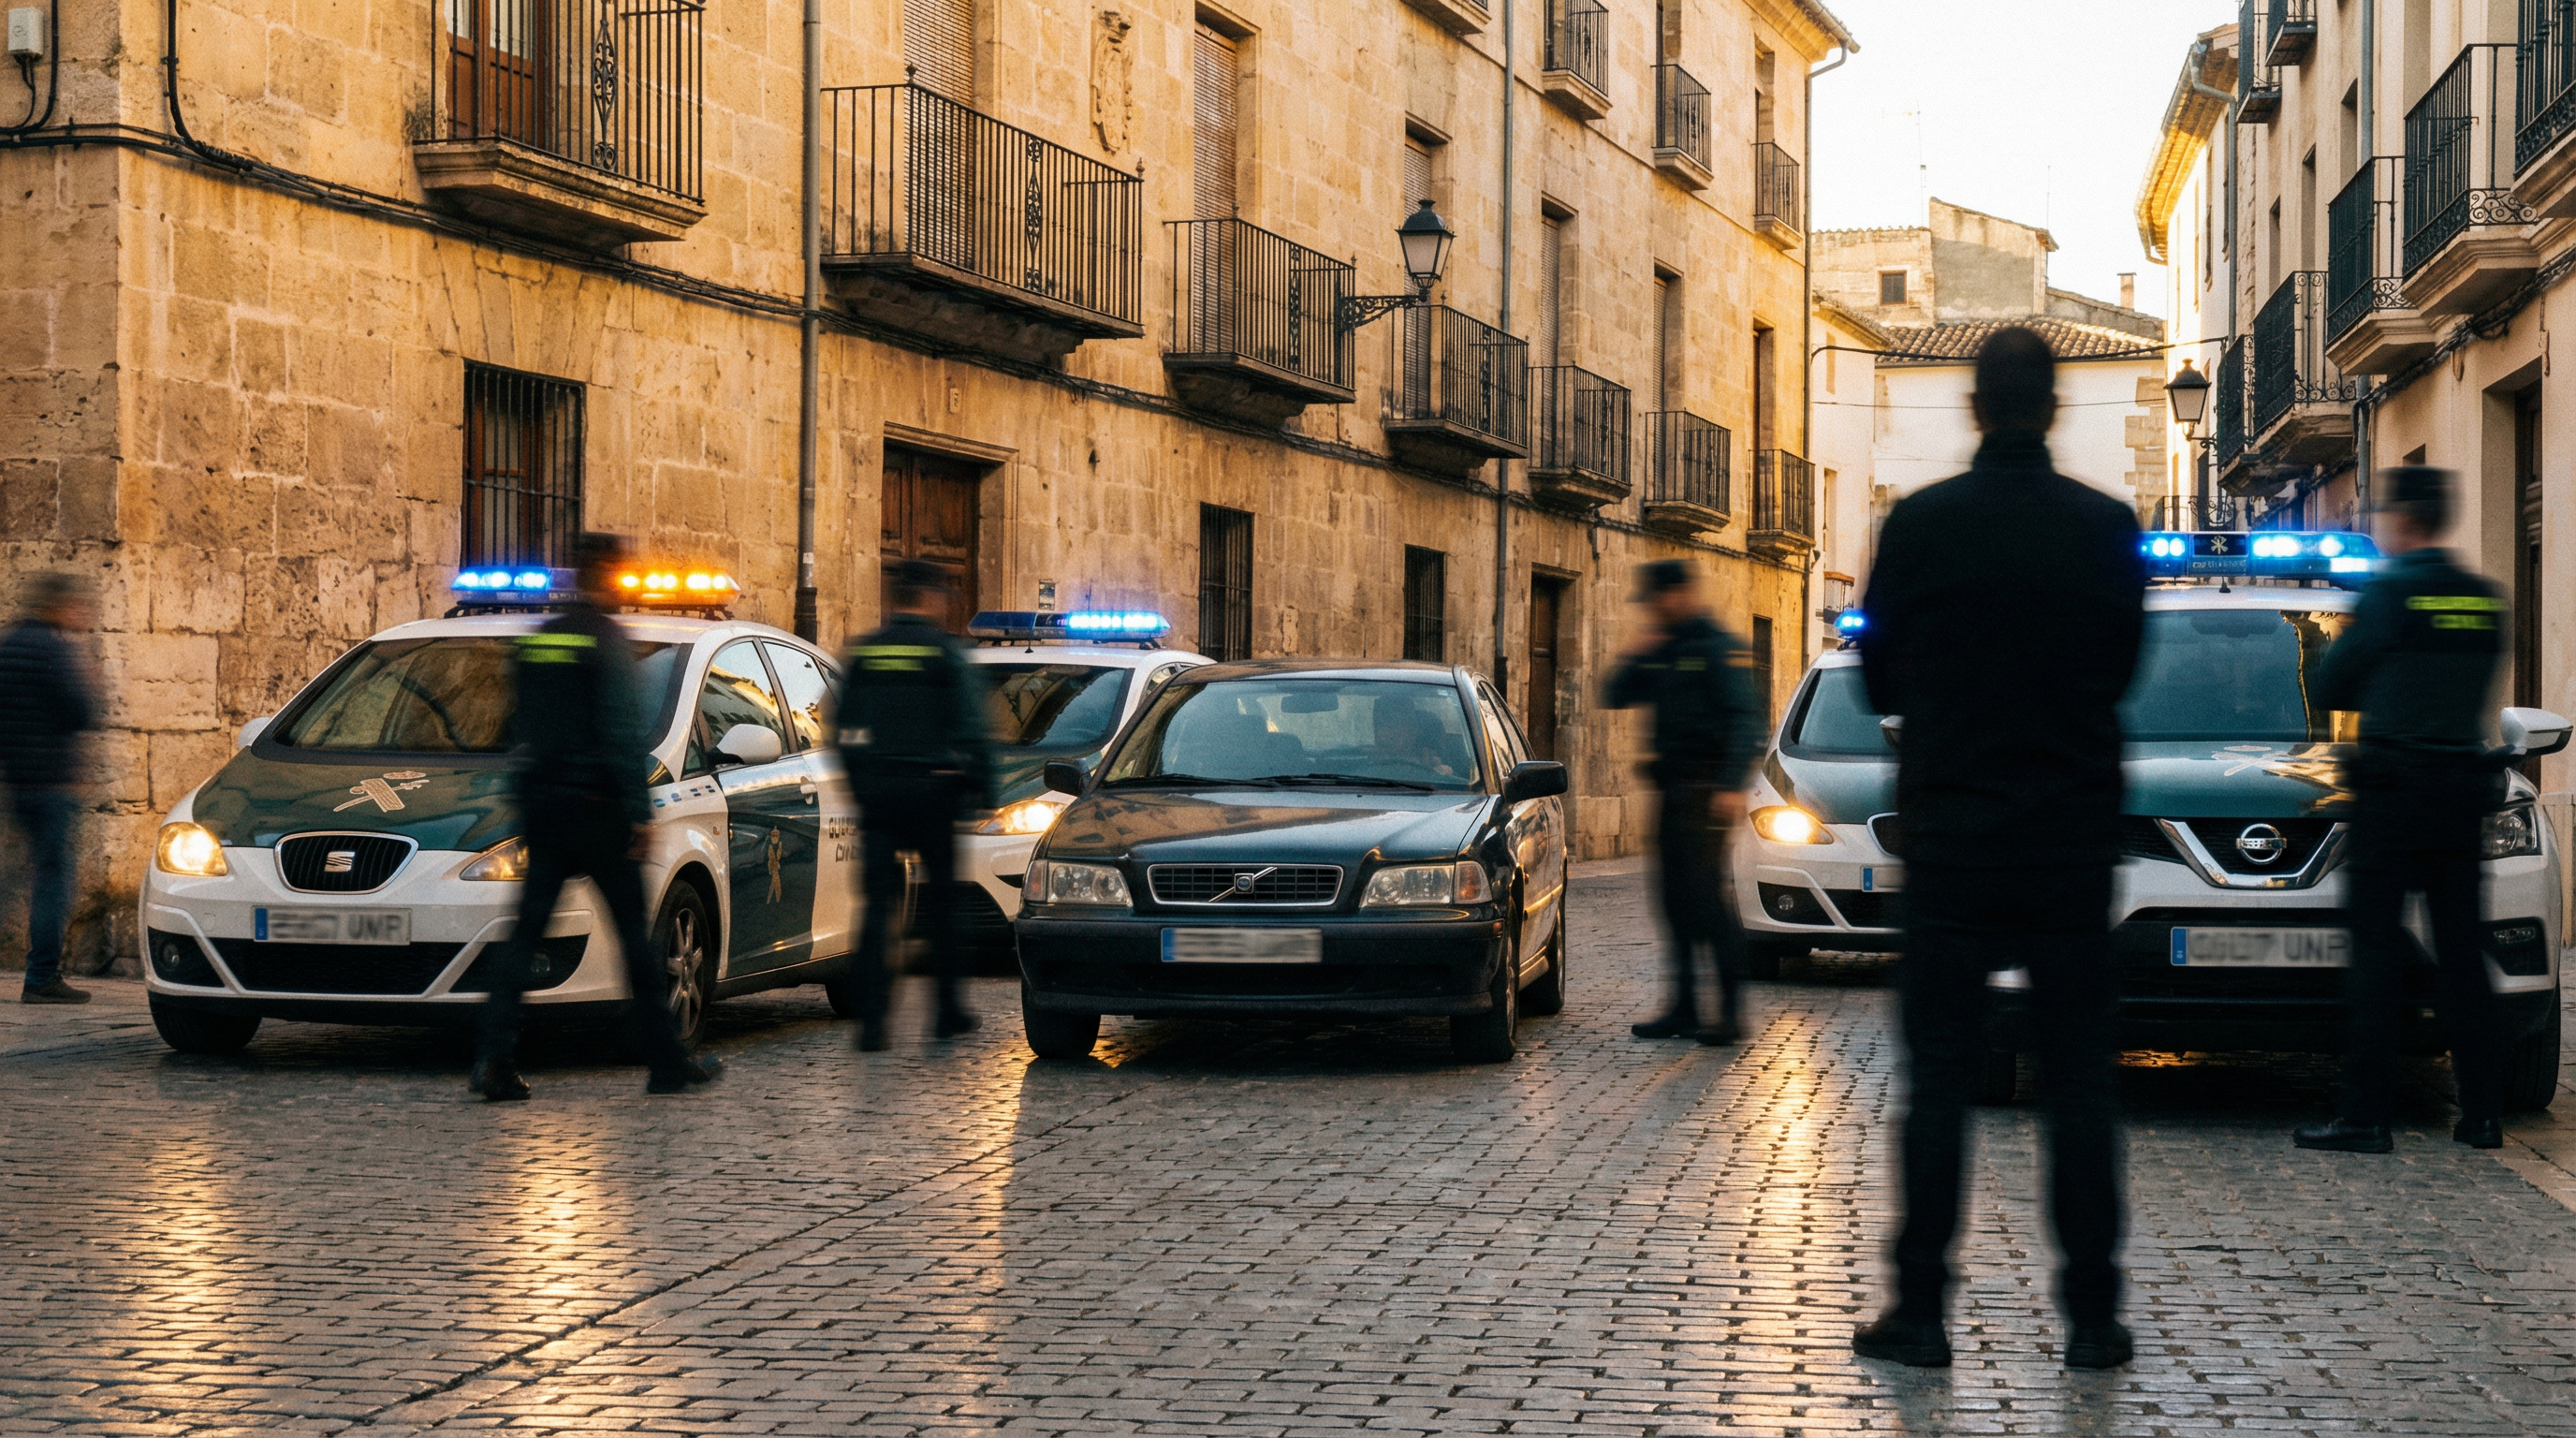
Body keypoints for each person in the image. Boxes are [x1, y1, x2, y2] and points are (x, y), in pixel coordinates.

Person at [1852, 327, 2145, 1372]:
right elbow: (2120, 667)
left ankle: (1921, 1311)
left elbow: (1877, 678)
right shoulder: (2106, 527)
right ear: (2054, 408)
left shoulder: (1922, 526)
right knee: (2079, 1083)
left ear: (1973, 407)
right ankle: (2093, 1317)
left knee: (1938, 1078)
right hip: (2067, 840)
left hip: (1952, 840)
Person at [2295, 467, 2510, 1155]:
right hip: (2459, 789)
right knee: (2463, 961)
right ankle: (2482, 1116)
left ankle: (2365, 1118)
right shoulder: (2485, 600)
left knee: (2377, 960)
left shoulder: (2390, 593)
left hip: (2393, 792)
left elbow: (2330, 681)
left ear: (2401, 521)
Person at [471, 533, 720, 1101]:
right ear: (605, 574)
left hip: (543, 802)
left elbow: (516, 723)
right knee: (635, 936)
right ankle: (666, 1062)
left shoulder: (539, 641)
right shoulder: (607, 642)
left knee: (524, 932)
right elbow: (619, 732)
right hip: (598, 808)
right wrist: (638, 812)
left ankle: (493, 1060)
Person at [1602, 559, 1764, 1046]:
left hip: (1707, 793)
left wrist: (1733, 786)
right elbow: (1615, 694)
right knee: (1672, 902)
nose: (1650, 609)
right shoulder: (1663, 649)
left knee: (1707, 903)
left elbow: (1745, 721)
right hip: (1672, 791)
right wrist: (1637, 652)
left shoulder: (1718, 647)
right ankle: (1685, 1008)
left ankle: (1731, 1012)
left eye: (1655, 599)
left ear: (1678, 594)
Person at [836, 558, 994, 1050]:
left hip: (879, 793)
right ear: (928, 597)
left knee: (877, 908)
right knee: (943, 906)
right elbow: (971, 727)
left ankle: (872, 1023)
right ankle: (946, 1012)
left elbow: (840, 727)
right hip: (932, 793)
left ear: (894, 597)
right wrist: (981, 789)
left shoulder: (866, 653)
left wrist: (859, 783)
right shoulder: (944, 653)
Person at [0, 572, 101, 1005]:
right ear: (58, 607)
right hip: (53, 784)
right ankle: (41, 977)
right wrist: (92, 681)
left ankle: (41, 974)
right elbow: (81, 711)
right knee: (52, 882)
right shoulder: (54, 650)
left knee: (14, 879)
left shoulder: (8, 647)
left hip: (19, 781)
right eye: (76, 607)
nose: (81, 615)